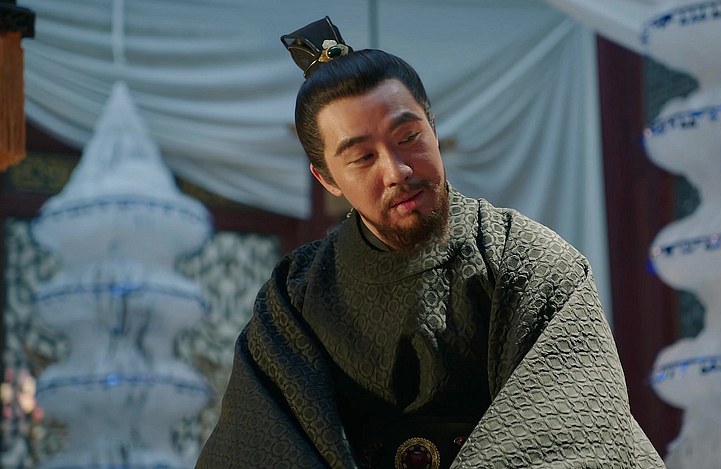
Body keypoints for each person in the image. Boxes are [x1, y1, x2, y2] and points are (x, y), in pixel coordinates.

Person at [196, 16, 665, 469]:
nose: (397, 170)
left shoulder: (530, 261)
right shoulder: (295, 297)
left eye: (408, 137)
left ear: (434, 130)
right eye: (362, 157)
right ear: (327, 179)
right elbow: (259, 446)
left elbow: (573, 435)